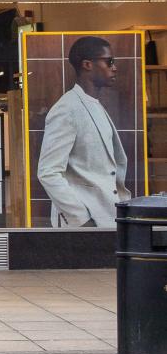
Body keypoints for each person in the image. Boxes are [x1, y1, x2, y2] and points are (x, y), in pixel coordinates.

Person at [37, 36, 130, 228]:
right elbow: (48, 172)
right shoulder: (67, 109)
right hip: (85, 225)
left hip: (108, 218)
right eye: (109, 61)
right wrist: (81, 220)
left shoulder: (94, 104)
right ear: (88, 64)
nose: (114, 67)